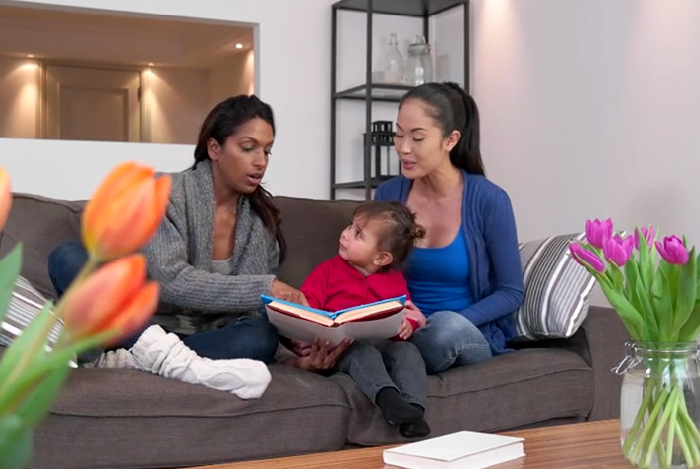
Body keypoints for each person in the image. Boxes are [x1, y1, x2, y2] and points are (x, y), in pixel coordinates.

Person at [47, 95, 348, 397]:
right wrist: (267, 287)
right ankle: (168, 359)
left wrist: (295, 357)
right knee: (67, 257)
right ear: (214, 148)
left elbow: (253, 314)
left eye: (267, 151)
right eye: (248, 148)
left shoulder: (261, 220)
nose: (260, 162)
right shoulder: (162, 192)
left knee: (260, 336)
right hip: (136, 328)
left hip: (206, 337)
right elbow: (169, 281)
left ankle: (149, 362)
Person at [374, 82, 525, 373]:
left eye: (417, 137)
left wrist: (436, 322)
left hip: (463, 331)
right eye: (399, 134)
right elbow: (369, 269)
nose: (403, 148)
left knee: (445, 328)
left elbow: (510, 291)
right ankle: (396, 358)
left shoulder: (488, 200)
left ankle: (401, 356)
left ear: (450, 140)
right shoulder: (388, 195)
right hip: (402, 327)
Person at [298, 200, 433, 438]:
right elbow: (306, 306)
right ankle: (387, 397)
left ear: (382, 258)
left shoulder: (394, 279)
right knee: (362, 351)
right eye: (350, 226)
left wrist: (407, 324)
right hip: (342, 348)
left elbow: (406, 309)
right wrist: (311, 329)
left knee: (408, 352)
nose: (346, 234)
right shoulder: (328, 271)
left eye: (358, 234)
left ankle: (414, 411)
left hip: (384, 342)